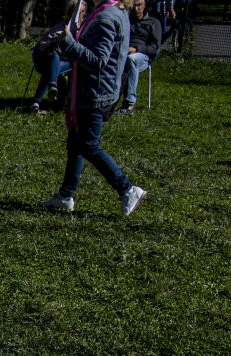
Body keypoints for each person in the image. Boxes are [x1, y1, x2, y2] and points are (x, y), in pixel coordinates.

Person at [38, 0, 147, 217]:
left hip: (94, 93)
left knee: (88, 145)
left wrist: (68, 41)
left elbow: (98, 61)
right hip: (91, 91)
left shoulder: (106, 18)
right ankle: (65, 196)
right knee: (76, 144)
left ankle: (127, 189)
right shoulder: (112, 11)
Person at [25, 3, 81, 114]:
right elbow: (44, 45)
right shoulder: (61, 26)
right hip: (49, 57)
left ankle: (37, 102)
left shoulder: (82, 29)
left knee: (51, 68)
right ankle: (51, 87)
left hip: (67, 61)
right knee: (53, 59)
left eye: (79, 12)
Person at [114, 0, 160, 115]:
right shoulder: (125, 20)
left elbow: (155, 47)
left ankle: (129, 104)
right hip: (122, 52)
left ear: (144, 5)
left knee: (131, 59)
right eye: (134, 5)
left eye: (139, 5)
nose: (136, 9)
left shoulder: (153, 23)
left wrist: (136, 49)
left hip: (142, 56)